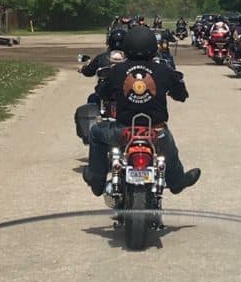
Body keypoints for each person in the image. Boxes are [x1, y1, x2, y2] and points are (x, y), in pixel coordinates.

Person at [84, 25, 201, 196]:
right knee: (169, 147)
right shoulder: (163, 70)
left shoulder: (117, 70)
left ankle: (97, 180)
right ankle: (176, 182)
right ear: (153, 46)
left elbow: (102, 93)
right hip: (156, 131)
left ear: (127, 46)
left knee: (95, 132)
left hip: (122, 131)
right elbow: (182, 95)